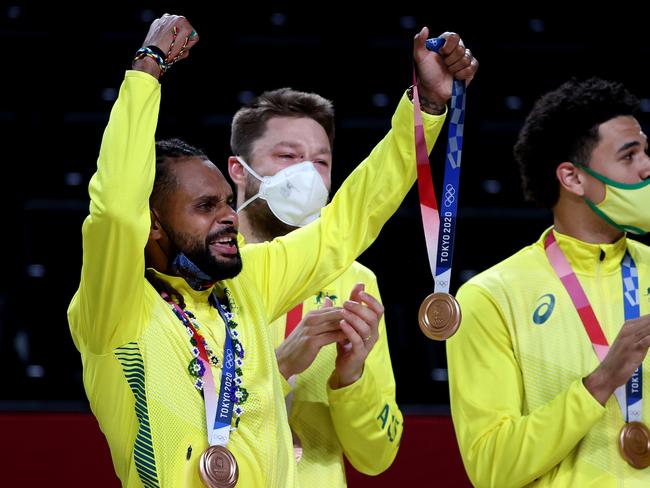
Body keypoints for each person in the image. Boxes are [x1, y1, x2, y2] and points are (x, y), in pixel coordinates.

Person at [67, 13, 477, 487]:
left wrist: (424, 107)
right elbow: (116, 211)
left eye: (225, 202)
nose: (226, 216)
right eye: (204, 206)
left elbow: (347, 222)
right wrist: (147, 71)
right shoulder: (115, 309)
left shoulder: (247, 283)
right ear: (153, 224)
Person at [447, 77, 650, 487]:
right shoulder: (492, 297)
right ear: (572, 178)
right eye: (629, 156)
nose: (647, 166)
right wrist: (600, 383)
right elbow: (492, 467)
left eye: (647, 152)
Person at [227, 87, 402, 486]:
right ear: (239, 169)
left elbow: (377, 456)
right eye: (287, 156)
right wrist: (279, 366)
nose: (305, 174)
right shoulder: (202, 273)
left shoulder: (357, 281)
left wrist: (352, 378)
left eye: (320, 162)